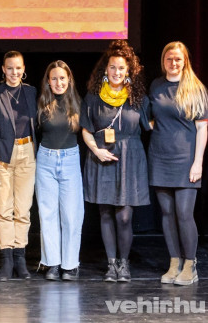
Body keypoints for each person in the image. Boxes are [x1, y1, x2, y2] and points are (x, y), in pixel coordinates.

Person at [81, 39, 149, 283]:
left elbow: (151, 125)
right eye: (112, 67)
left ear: (128, 70)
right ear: (105, 69)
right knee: (106, 214)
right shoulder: (93, 97)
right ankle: (112, 265)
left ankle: (124, 262)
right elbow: (86, 129)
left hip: (130, 160)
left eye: (121, 68)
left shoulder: (138, 98)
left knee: (124, 217)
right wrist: (96, 150)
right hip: (101, 158)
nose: (117, 72)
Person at [148, 41, 208, 285]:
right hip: (159, 157)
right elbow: (153, 118)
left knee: (184, 213)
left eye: (178, 59)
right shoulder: (156, 85)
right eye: (169, 59)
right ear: (163, 61)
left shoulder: (195, 88)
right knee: (167, 213)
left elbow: (202, 129)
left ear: (185, 61)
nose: (173, 63)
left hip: (185, 160)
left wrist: (198, 163)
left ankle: (190, 265)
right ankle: (174, 262)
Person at [0, 51, 37, 281]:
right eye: (10, 68)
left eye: (18, 68)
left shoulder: (31, 92)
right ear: (3, 70)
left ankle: (20, 258)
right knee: (4, 210)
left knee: (23, 210)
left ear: (24, 69)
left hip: (28, 153)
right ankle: (6, 259)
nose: (14, 72)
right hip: (3, 157)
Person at [35, 60, 84, 281]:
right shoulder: (41, 103)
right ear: (48, 81)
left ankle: (70, 265)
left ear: (69, 79)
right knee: (48, 214)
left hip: (70, 159)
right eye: (54, 78)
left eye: (62, 78)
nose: (58, 82)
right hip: (45, 159)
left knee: (71, 215)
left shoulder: (78, 104)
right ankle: (52, 263)